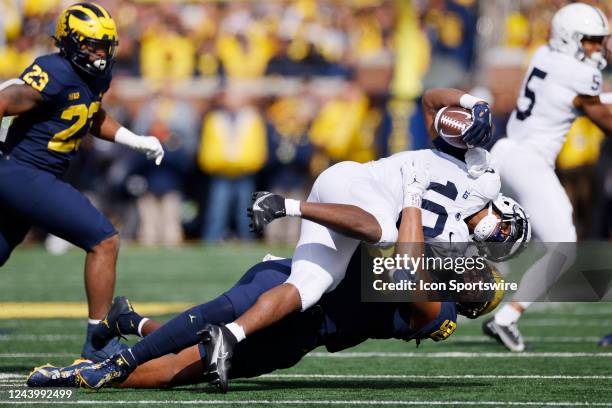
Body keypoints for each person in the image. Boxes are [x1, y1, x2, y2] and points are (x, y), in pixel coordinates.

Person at [27, 161, 516, 390]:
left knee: (184, 369)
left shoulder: (439, 310)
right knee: (220, 326)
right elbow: (380, 234)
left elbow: (405, 275)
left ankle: (130, 324)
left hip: (305, 334)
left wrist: (411, 196)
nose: (468, 267)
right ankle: (90, 371)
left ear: (470, 298)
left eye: (474, 277)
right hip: (293, 281)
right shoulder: (431, 252)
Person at [194, 87, 524, 392]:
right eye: (504, 231)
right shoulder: (473, 174)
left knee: (299, 291)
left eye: (478, 292)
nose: (496, 237)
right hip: (358, 205)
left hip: (321, 318)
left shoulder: (445, 293)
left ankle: (154, 332)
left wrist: (412, 198)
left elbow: (406, 276)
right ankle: (286, 206)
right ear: (504, 207)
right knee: (381, 235)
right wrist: (474, 105)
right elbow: (432, 101)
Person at [0, 2, 164, 360]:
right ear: (70, 41)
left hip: (30, 175)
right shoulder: (54, 70)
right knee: (104, 240)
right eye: (91, 45)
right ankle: (98, 343)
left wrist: (133, 139)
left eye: (104, 45)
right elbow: (5, 99)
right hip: (23, 171)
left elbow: (89, 114)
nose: (99, 53)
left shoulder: (95, 76)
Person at [483, 2, 612, 352]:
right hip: (530, 163)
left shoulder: (543, 54)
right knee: (564, 248)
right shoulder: (581, 74)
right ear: (571, 39)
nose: (598, 48)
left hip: (504, 152)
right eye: (591, 41)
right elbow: (602, 117)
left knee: (485, 235)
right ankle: (506, 318)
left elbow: (581, 101)